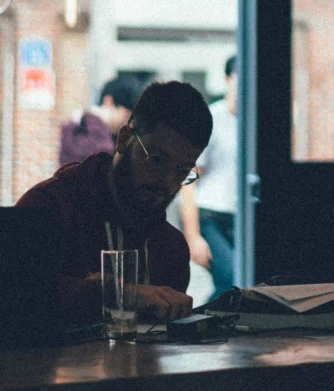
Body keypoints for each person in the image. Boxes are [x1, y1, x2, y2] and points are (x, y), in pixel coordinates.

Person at [17, 80, 213, 324]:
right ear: (124, 139)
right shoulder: (48, 207)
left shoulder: (171, 249)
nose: (167, 181)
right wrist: (120, 295)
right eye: (157, 160)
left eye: (182, 171)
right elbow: (16, 299)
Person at [179, 55, 237, 296]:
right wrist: (192, 236)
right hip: (211, 218)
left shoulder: (254, 122)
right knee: (231, 280)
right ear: (227, 80)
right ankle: (194, 316)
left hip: (242, 219)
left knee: (245, 284)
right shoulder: (212, 119)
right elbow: (189, 178)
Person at [59, 75, 141, 166]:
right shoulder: (95, 139)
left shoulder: (88, 129)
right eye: (127, 116)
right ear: (108, 101)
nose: (128, 123)